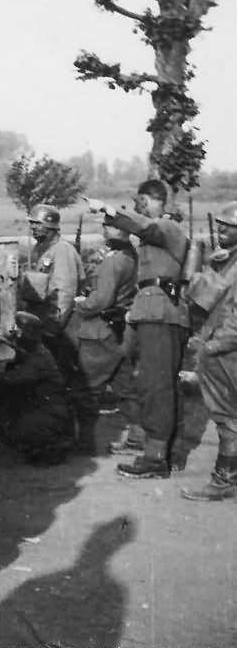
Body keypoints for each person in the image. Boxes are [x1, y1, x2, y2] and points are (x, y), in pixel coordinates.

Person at [87, 179, 189, 479]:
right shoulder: (156, 232)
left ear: (155, 199)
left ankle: (156, 459)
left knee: (156, 386)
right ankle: (162, 450)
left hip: (161, 313)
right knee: (151, 384)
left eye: (141, 201)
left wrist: (109, 210)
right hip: (151, 312)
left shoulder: (167, 227)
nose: (138, 207)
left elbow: (146, 228)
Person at [181, 201, 237, 500]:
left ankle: (223, 481)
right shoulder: (226, 260)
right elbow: (196, 294)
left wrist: (214, 346)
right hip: (221, 347)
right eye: (221, 224)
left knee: (227, 418)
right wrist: (209, 263)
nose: (222, 229)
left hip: (226, 352)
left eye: (230, 225)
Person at [19, 204, 86, 446]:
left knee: (62, 381)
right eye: (32, 224)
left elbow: (64, 293)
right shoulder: (41, 249)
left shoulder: (62, 250)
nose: (33, 228)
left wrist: (53, 328)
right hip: (43, 324)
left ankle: (68, 437)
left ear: (51, 226)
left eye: (38, 224)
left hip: (59, 328)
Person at [72, 223, 136, 454]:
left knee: (87, 388)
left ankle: (84, 442)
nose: (104, 229)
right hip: (121, 330)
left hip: (99, 330)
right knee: (126, 387)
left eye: (109, 226)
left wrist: (81, 305)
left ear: (121, 230)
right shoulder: (130, 256)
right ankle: (138, 438)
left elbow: (101, 300)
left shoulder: (113, 261)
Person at [0, 311, 75, 466]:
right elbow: (23, 352)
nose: (15, 336)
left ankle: (43, 449)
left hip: (52, 420)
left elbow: (11, 378)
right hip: (53, 414)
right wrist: (6, 342)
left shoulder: (39, 359)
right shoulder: (38, 350)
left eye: (17, 332)